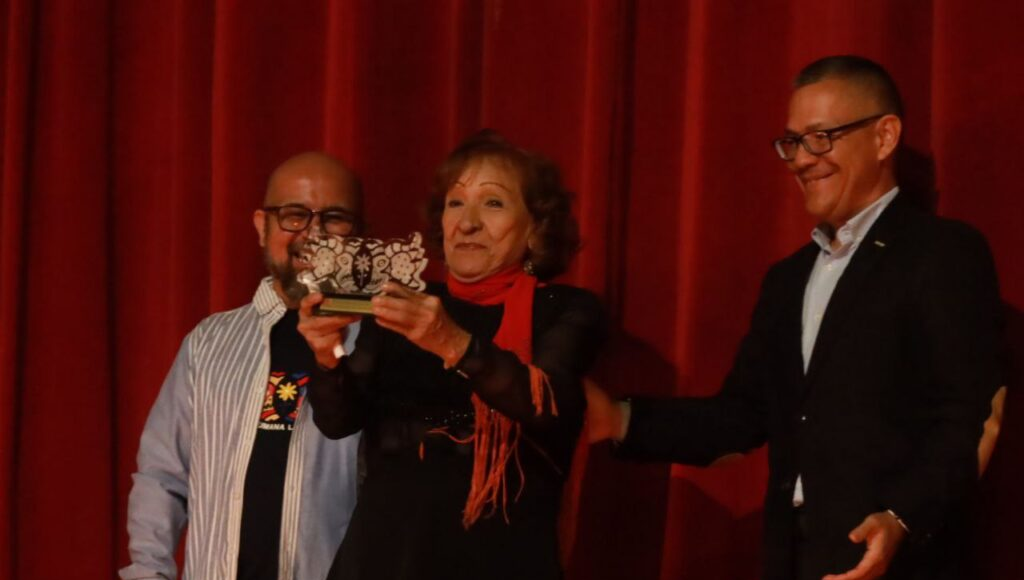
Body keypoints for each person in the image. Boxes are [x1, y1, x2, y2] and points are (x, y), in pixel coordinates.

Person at [587, 55, 1003, 580]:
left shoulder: (940, 252)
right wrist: (619, 419)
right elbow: (741, 417)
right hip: (797, 558)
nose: (802, 160)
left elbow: (969, 416)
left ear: (884, 137)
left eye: (821, 138)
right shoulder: (787, 279)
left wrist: (902, 518)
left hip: (902, 563)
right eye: (792, 142)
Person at [297, 130, 606, 580]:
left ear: (536, 228)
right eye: (456, 203)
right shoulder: (406, 301)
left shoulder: (567, 309)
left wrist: (454, 343)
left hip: (499, 561)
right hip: (384, 559)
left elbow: (545, 404)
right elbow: (339, 421)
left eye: (493, 203)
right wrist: (328, 356)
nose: (468, 222)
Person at [120, 152, 364, 580]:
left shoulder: (376, 345)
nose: (313, 234)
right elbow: (161, 476)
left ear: (358, 235)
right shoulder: (209, 343)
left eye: (334, 219)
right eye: (294, 216)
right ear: (261, 225)